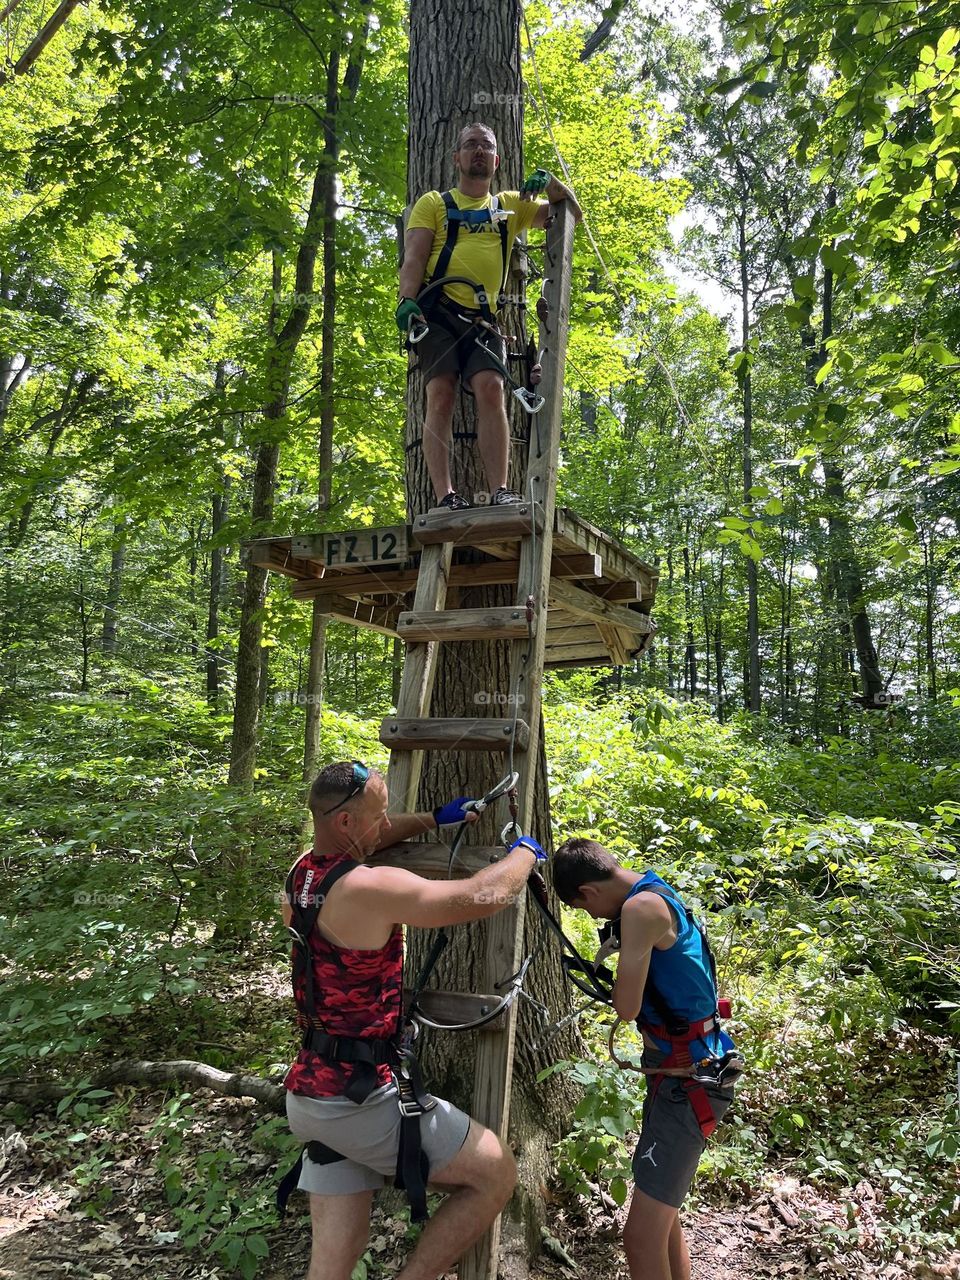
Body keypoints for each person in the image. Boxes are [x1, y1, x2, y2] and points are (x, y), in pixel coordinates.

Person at [281, 759, 547, 1280]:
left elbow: (372, 839)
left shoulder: (303, 871)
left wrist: (436, 817)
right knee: (496, 1173)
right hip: (358, 1099)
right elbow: (480, 896)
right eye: (378, 817)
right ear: (345, 823)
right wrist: (524, 855)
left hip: (312, 1091)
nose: (386, 827)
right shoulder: (368, 888)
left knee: (334, 1260)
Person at [552, 839, 741, 1280]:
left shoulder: (639, 911)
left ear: (588, 892)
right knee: (663, 1217)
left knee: (639, 1238)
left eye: (584, 909)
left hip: (689, 1080)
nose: (593, 917)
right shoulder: (653, 889)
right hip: (683, 1070)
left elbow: (626, 1007)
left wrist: (619, 966)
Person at [397, 121, 581, 511]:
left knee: (492, 389)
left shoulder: (511, 205)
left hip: (484, 322)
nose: (478, 152)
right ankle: (445, 496)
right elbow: (413, 258)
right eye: (470, 146)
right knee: (440, 393)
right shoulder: (433, 204)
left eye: (486, 147)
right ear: (457, 158)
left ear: (497, 160)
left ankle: (500, 489)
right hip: (438, 315)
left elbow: (571, 215)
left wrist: (549, 182)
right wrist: (406, 302)